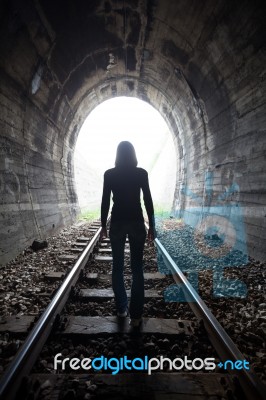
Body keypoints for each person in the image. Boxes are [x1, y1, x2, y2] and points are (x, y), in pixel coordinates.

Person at [100, 141, 155, 328]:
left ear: (117, 155)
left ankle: (122, 308)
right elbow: (147, 199)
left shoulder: (109, 174)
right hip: (137, 222)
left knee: (117, 267)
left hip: (117, 222)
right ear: (133, 154)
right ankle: (137, 316)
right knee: (137, 269)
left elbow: (105, 201)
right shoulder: (141, 173)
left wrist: (103, 226)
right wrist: (152, 226)